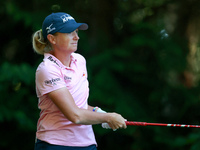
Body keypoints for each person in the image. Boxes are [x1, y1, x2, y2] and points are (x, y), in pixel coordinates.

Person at [32, 12, 127, 150]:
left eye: (76, 31)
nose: (77, 37)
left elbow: (79, 105)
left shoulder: (80, 61)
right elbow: (75, 115)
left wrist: (98, 111)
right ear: (52, 38)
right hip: (55, 144)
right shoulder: (47, 69)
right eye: (69, 32)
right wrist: (108, 117)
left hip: (86, 143)